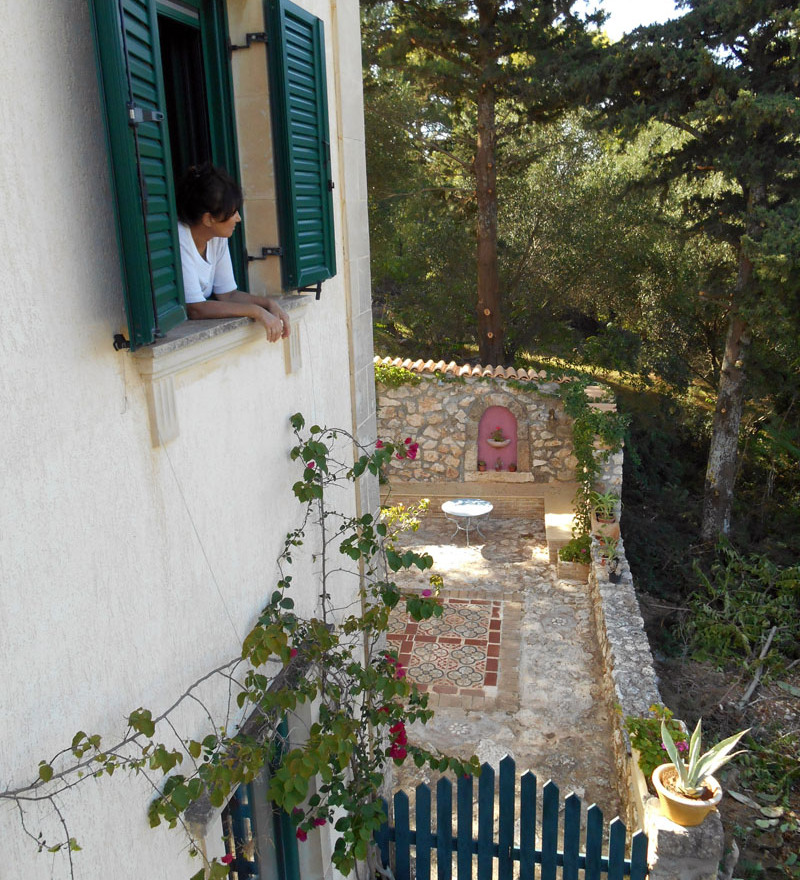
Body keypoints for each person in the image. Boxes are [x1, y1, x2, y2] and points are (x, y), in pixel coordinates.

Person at [175, 163, 290, 343]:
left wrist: (269, 304)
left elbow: (228, 294)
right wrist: (256, 311)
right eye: (233, 213)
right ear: (208, 219)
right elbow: (196, 308)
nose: (239, 218)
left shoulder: (217, 238)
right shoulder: (180, 238)